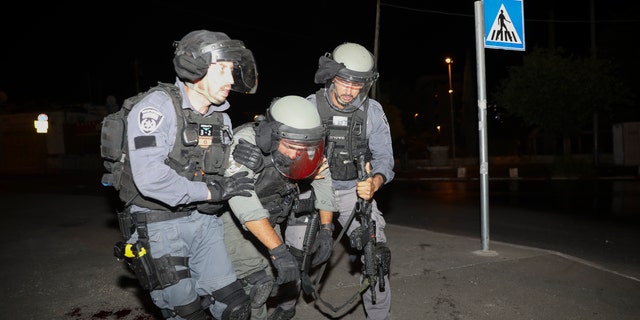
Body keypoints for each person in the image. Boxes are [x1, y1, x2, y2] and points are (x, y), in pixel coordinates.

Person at [113, 30, 261, 320]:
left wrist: (257, 156)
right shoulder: (156, 108)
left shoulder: (221, 116)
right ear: (194, 66)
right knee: (187, 314)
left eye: (232, 70)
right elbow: (151, 177)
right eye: (222, 69)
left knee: (236, 308)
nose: (231, 79)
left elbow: (218, 171)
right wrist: (209, 192)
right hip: (159, 227)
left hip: (204, 222)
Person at [271, 42, 395, 320]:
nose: (351, 91)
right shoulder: (309, 107)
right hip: (312, 191)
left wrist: (375, 181)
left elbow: (385, 157)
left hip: (355, 191)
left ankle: (379, 316)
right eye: (344, 82)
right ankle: (285, 306)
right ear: (331, 77)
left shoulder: (372, 111)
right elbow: (285, 155)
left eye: (358, 84)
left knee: (376, 254)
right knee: (293, 253)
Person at [221, 95, 338, 320]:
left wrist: (326, 230)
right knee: (256, 283)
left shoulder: (304, 141)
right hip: (233, 217)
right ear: (272, 136)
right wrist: (279, 250)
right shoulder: (245, 143)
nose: (297, 154)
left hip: (269, 217)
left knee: (270, 277)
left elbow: (323, 180)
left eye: (303, 148)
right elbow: (243, 201)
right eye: (291, 147)